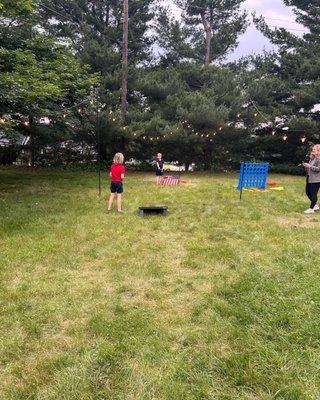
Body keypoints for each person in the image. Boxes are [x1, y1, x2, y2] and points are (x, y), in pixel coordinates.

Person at [302, 144, 320, 214]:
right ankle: (315, 205)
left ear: (318, 150)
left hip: (316, 179)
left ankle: (311, 209)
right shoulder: (313, 158)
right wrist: (306, 166)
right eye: (313, 149)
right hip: (309, 177)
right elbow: (311, 167)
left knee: (313, 194)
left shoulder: (319, 159)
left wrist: (309, 166)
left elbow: (318, 169)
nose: (313, 150)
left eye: (314, 149)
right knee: (307, 192)